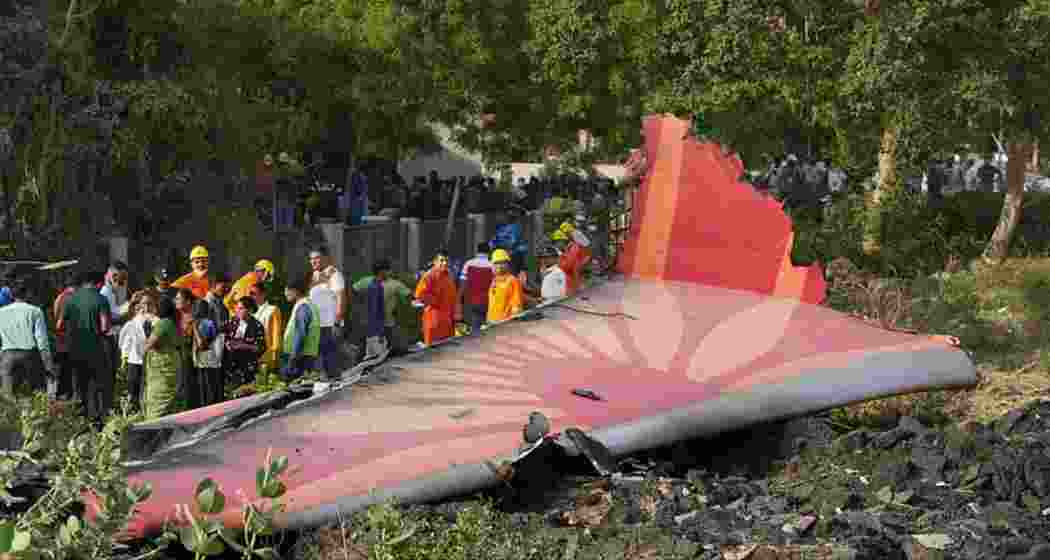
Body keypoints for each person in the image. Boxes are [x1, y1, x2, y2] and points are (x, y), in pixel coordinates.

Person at [58, 271, 113, 424]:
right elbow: (104, 327)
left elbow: (59, 325)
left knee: (78, 385)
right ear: (98, 283)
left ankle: (80, 420)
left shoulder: (70, 299)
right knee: (96, 385)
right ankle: (96, 420)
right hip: (95, 348)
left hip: (75, 349)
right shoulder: (101, 299)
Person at [0, 280, 57, 399]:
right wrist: (48, 365)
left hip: (7, 356)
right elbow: (42, 341)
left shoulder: (1, 312)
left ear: (11, 295)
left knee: (9, 397)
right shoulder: (35, 311)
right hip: (29, 356)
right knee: (32, 395)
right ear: (28, 293)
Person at [351, 259, 412, 356]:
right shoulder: (373, 283)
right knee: (377, 351)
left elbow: (408, 296)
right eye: (388, 270)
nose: (390, 272)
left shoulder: (392, 284)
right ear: (382, 271)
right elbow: (353, 291)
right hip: (376, 324)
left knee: (379, 351)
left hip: (382, 324)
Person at [143, 296, 182, 419]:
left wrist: (147, 331)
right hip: (171, 364)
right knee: (169, 402)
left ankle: (155, 432)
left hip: (162, 369)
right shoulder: (172, 322)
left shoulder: (162, 324)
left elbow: (149, 345)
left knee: (158, 402)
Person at [119, 291, 156, 413]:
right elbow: (125, 342)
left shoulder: (156, 321)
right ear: (139, 306)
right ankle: (132, 414)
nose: (147, 307)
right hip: (135, 361)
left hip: (151, 362)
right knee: (133, 392)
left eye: (150, 304)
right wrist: (124, 357)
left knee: (149, 391)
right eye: (144, 304)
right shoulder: (132, 323)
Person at [413, 250, 458, 346]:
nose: (445, 263)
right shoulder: (429, 276)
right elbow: (419, 294)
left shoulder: (449, 276)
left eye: (446, 260)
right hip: (433, 322)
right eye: (441, 260)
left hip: (447, 323)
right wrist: (436, 301)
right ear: (435, 262)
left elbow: (453, 298)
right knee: (433, 355)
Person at [281, 279, 321, 381]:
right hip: (306, 355)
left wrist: (292, 361)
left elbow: (300, 334)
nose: (285, 294)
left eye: (287, 290)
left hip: (300, 358)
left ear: (296, 291)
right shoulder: (309, 305)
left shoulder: (303, 307)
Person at [225, 296, 265, 389]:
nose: (237, 311)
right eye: (237, 308)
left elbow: (261, 347)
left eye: (241, 308)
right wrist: (227, 344)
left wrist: (243, 346)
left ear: (250, 310)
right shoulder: (232, 321)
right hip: (232, 366)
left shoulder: (257, 326)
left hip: (248, 367)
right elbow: (224, 335)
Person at [190, 299, 224, 407]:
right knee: (208, 389)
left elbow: (202, 345)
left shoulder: (206, 323)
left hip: (206, 361)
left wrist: (195, 328)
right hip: (207, 361)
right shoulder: (209, 322)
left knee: (207, 390)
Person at [459, 242, 494, 336]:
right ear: (489, 252)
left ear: (477, 251)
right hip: (487, 303)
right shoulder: (492, 266)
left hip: (470, 302)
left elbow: (462, 284)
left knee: (474, 331)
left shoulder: (468, 264)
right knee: (487, 331)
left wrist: (459, 301)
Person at [251, 284, 283, 380]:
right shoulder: (251, 311)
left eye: (253, 293)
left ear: (263, 294)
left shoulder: (272, 310)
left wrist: (274, 356)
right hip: (252, 355)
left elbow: (276, 335)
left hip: (266, 356)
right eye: (250, 293)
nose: (251, 296)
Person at [51, 279, 77, 399]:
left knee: (63, 367)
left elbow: (56, 316)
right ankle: (71, 393)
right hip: (72, 337)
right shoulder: (74, 298)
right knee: (72, 367)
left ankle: (61, 392)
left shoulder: (59, 297)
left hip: (61, 337)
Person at [308, 279, 339, 380]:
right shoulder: (331, 291)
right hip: (329, 325)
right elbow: (335, 308)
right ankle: (331, 374)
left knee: (319, 352)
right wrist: (337, 324)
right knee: (329, 351)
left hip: (317, 325)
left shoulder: (313, 292)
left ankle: (321, 375)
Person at [309, 247, 346, 328]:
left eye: (317, 258)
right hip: (315, 326)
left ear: (326, 258)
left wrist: (337, 324)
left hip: (328, 326)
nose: (313, 261)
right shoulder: (314, 276)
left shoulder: (334, 275)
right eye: (311, 259)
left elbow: (341, 299)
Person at [172, 289, 196, 408]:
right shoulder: (178, 317)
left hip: (188, 358)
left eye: (178, 298)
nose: (175, 301)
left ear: (188, 302)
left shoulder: (192, 318)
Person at [486, 250, 524, 323]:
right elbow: (491, 303)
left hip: (505, 324)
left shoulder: (513, 281)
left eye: (502, 263)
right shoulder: (494, 280)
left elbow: (516, 306)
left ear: (508, 264)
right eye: (496, 263)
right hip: (491, 323)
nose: (499, 266)